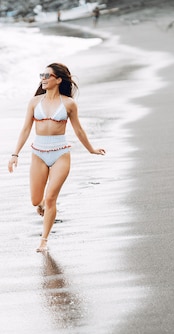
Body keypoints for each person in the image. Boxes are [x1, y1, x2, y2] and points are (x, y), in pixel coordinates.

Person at [7, 63, 105, 252]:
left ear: (58, 80)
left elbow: (78, 129)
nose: (43, 78)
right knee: (36, 201)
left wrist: (91, 149)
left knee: (51, 198)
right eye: (41, 74)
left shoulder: (68, 103)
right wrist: (15, 154)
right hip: (38, 153)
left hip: (61, 153)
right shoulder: (35, 102)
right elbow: (26, 128)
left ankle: (43, 240)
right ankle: (42, 205)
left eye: (47, 75)